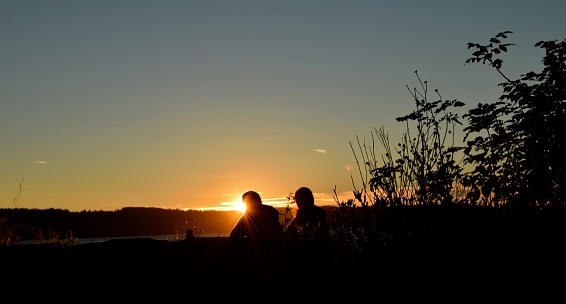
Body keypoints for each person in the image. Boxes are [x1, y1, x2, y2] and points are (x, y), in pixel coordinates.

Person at [229, 190, 283, 255]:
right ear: (260, 201)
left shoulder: (249, 216)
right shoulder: (271, 212)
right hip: (278, 250)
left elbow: (234, 234)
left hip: (259, 252)